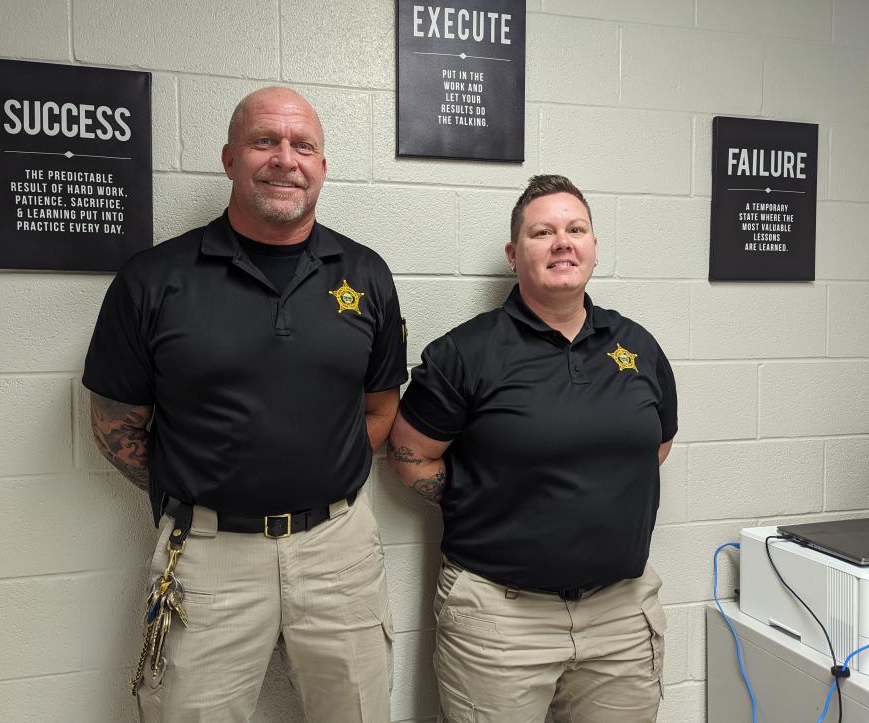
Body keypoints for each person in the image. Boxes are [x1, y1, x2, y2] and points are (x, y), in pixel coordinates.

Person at [83, 86, 406, 722]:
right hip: (207, 558)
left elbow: (380, 407)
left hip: (338, 551)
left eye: (303, 145)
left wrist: (314, 473)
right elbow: (114, 424)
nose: (285, 158)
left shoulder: (366, 275)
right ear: (230, 158)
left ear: (322, 165)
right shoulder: (154, 280)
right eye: (265, 141)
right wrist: (210, 487)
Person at [387, 174, 677, 723]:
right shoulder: (464, 353)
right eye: (543, 232)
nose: (563, 242)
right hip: (500, 621)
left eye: (576, 229)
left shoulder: (638, 347)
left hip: (621, 616)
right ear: (514, 254)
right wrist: (488, 493)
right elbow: (408, 456)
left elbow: (657, 446)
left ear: (593, 246)